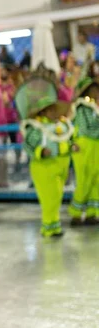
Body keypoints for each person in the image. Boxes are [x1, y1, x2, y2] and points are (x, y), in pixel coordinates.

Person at [16, 74, 76, 238]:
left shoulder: (56, 126)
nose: (54, 112)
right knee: (49, 198)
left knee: (56, 197)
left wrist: (72, 146)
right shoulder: (35, 127)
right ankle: (47, 227)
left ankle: (53, 226)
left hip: (59, 166)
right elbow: (28, 145)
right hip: (43, 167)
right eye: (51, 109)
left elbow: (62, 141)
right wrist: (40, 152)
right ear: (44, 111)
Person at [69, 77, 99, 226]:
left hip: (96, 146)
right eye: (93, 89)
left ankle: (92, 214)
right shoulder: (81, 108)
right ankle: (76, 214)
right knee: (84, 180)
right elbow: (85, 129)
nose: (96, 92)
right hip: (83, 145)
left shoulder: (94, 108)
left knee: (96, 180)